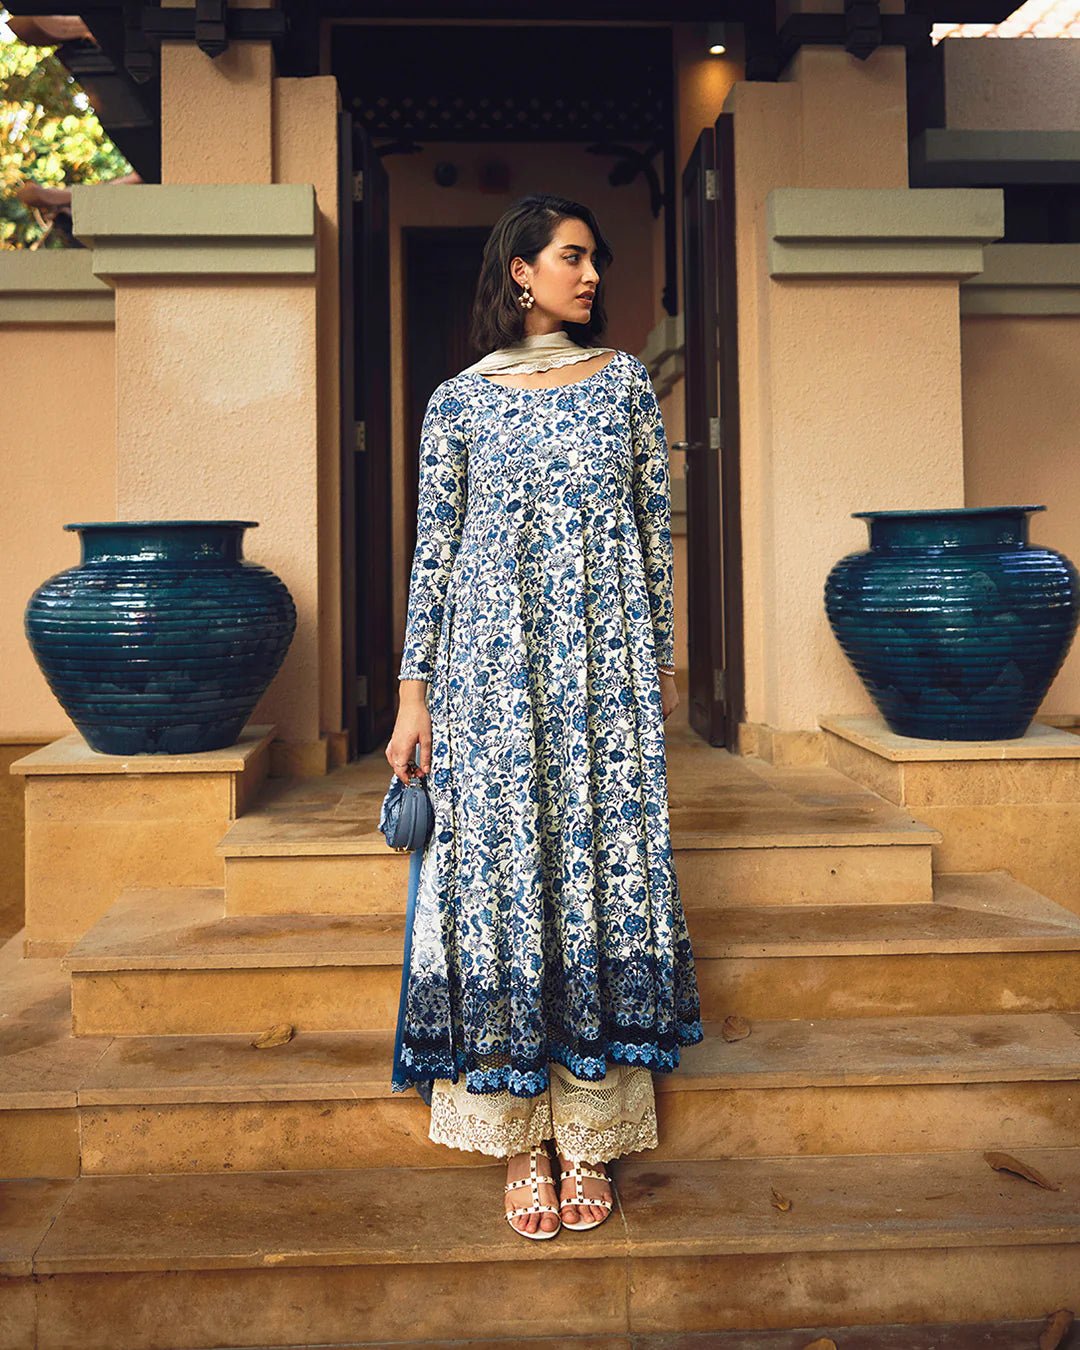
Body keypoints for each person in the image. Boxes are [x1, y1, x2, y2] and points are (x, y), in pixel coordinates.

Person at [386, 192, 703, 1241]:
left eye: (596, 259)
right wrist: (413, 690)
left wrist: (651, 669)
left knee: (594, 884)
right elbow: (435, 554)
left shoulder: (623, 389)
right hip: (491, 677)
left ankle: (593, 1138)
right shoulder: (458, 403)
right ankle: (520, 1141)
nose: (593, 273)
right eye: (572, 256)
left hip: (602, 681)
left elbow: (653, 531)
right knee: (507, 885)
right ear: (520, 272)